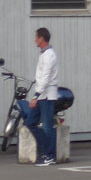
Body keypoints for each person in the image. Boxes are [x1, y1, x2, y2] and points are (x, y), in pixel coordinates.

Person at [24, 27, 60, 166]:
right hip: (42, 95)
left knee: (47, 126)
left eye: (36, 37)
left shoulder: (49, 55)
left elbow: (45, 78)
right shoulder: (43, 54)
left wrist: (35, 96)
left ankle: (50, 155)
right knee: (30, 123)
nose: (35, 40)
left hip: (46, 95)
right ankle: (46, 150)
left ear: (41, 38)